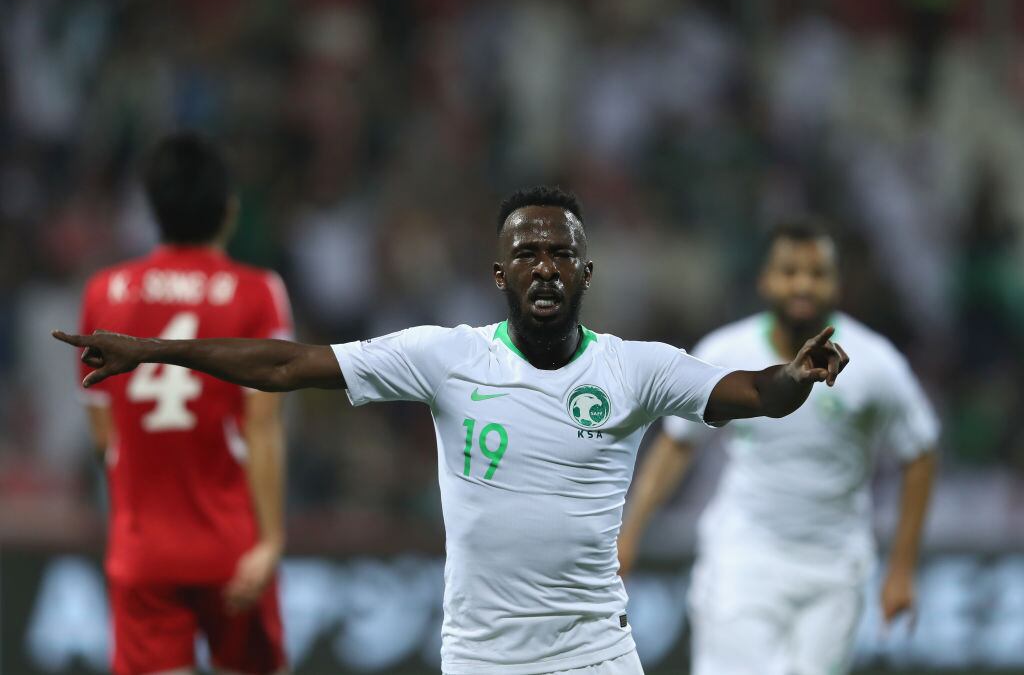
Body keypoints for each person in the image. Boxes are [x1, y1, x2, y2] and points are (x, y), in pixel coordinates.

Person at [56, 186, 849, 675]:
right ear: (500, 273)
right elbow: (288, 363)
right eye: (528, 253)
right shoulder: (446, 358)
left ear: (586, 272)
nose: (545, 266)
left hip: (595, 654)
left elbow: (753, 391)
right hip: (480, 656)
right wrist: (154, 350)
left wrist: (797, 376)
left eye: (561, 253)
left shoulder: (634, 369)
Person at [617, 223, 938, 675]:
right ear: (765, 281)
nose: (802, 284)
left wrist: (902, 568)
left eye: (816, 273)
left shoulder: (876, 364)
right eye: (789, 271)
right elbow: (678, 444)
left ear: (837, 284)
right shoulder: (726, 353)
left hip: (835, 571)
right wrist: (629, 534)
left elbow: (920, 451)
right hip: (743, 557)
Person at [75, 133, 291, 675]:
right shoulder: (258, 292)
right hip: (232, 547)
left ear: (153, 209)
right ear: (229, 209)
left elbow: (103, 439)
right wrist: (270, 541)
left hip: (143, 550)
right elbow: (262, 428)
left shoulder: (104, 292)